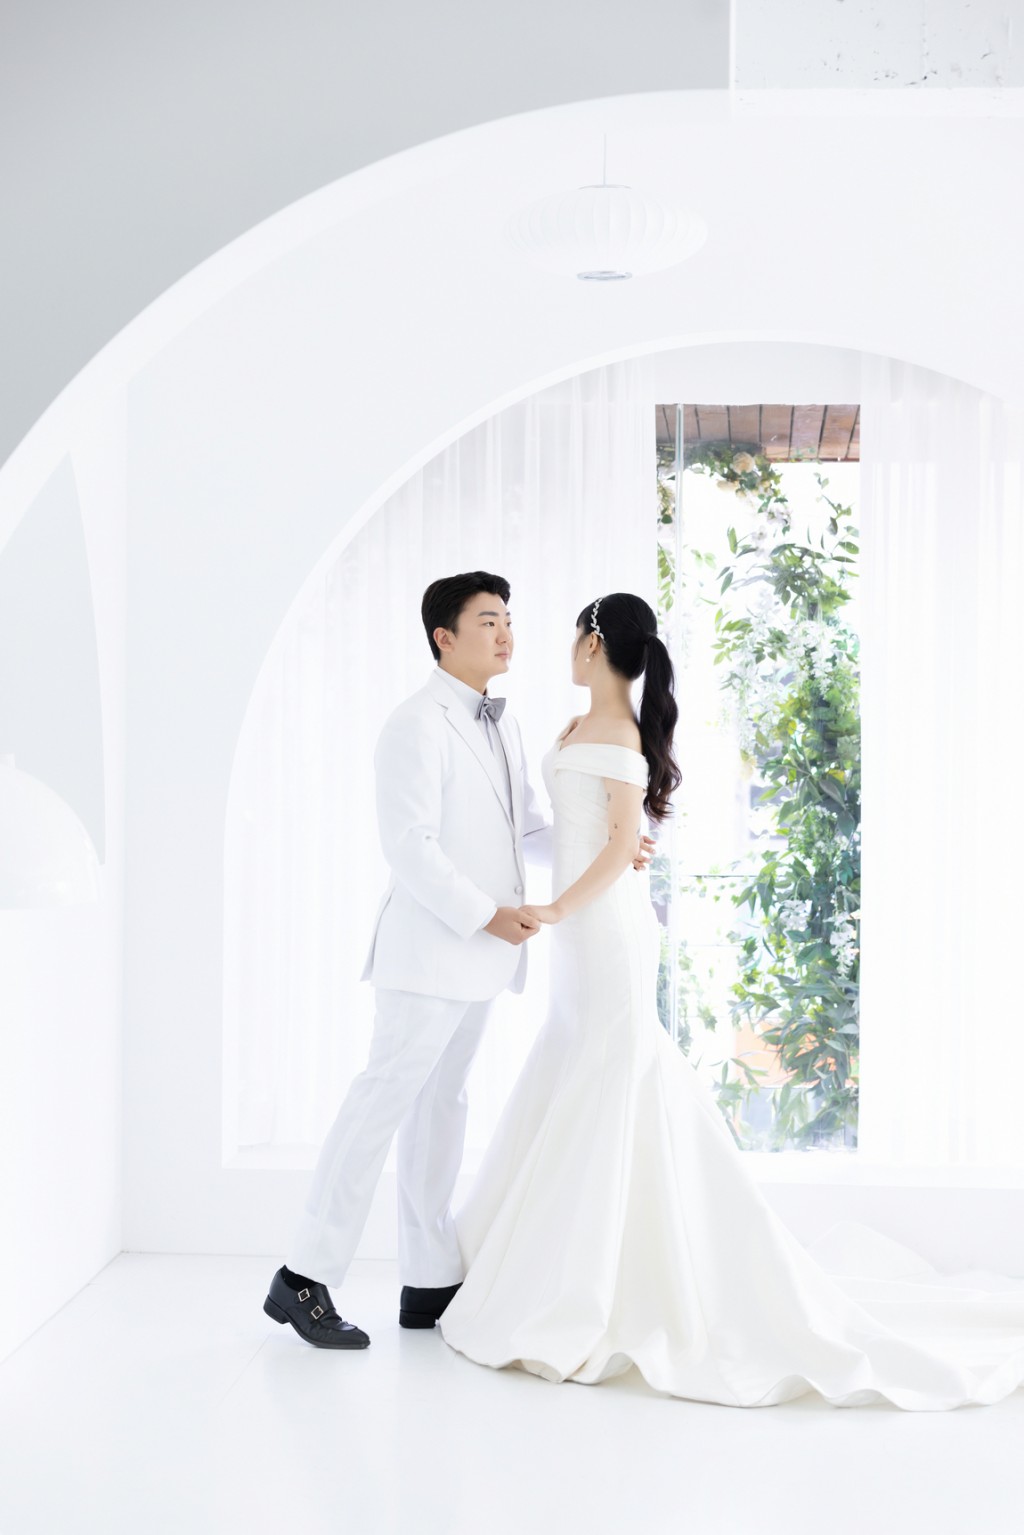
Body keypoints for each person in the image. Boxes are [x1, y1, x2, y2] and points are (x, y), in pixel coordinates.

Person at [439, 591, 1024, 1409]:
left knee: (612, 1076)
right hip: (580, 934)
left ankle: (599, 1279)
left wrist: (560, 906)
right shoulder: (578, 727)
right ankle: (552, 1261)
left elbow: (619, 843)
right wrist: (576, 888)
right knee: (579, 1064)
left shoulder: (618, 736)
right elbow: (593, 831)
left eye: (572, 637)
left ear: (594, 644)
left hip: (604, 931)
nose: (561, 648)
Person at [263, 571, 654, 1347]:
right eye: (487, 620)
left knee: (442, 1110)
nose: (506, 633)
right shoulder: (414, 723)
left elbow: (527, 830)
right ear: (444, 637)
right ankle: (303, 1275)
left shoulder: (503, 725)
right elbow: (409, 845)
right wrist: (487, 915)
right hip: (430, 951)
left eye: (508, 619)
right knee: (381, 1103)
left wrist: (611, 843)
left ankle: (429, 1276)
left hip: (482, 956)